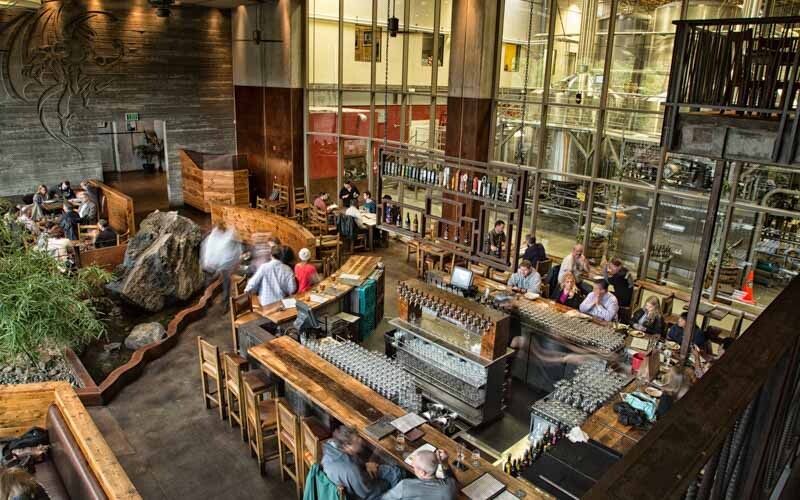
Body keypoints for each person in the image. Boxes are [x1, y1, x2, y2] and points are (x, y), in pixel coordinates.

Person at [320, 426, 403, 500]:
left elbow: (351, 461)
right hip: (359, 495)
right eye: (356, 440)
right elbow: (367, 494)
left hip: (345, 480)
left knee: (389, 471)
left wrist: (364, 465)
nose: (361, 440)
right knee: (396, 474)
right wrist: (385, 483)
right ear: (346, 446)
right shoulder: (351, 470)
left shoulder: (330, 445)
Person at [381, 449, 457, 500]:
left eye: (414, 466)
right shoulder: (448, 489)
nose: (413, 468)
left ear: (422, 473)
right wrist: (445, 463)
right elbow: (452, 479)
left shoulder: (405, 485)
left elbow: (384, 498)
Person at [201, 222, 243, 308]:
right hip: (221, 265)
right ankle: (224, 303)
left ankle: (208, 302)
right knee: (225, 283)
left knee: (210, 283)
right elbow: (227, 244)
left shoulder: (211, 237)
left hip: (211, 265)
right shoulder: (220, 238)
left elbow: (206, 250)